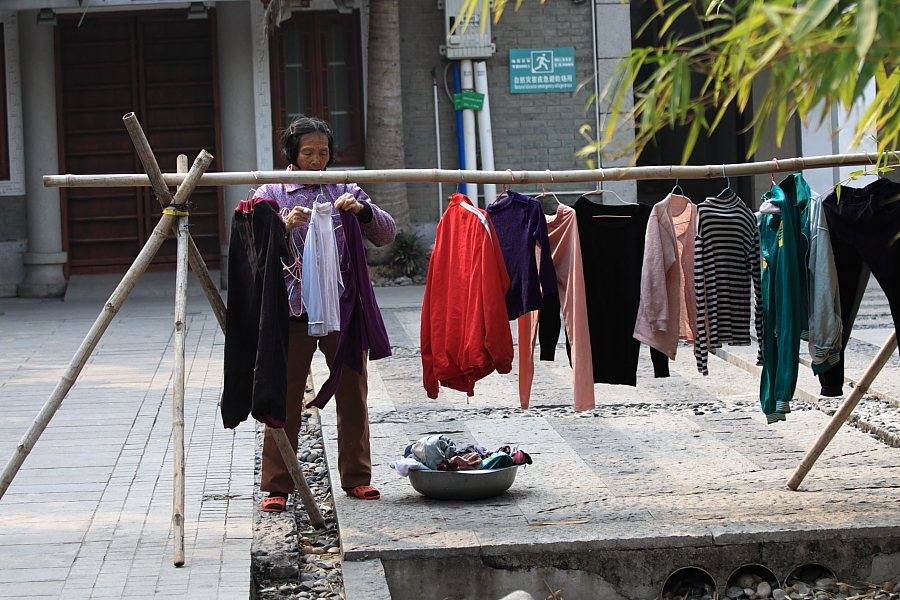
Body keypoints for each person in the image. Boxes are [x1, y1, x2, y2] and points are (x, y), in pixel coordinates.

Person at [255, 116, 396, 512]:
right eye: (308, 153)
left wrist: (363, 211)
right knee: (282, 399)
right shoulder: (272, 191)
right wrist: (281, 226)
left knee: (353, 393)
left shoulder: (345, 189)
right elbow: (251, 244)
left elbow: (386, 234)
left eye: (323, 153)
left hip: (343, 311)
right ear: (292, 156)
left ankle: (356, 478)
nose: (317, 160)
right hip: (293, 312)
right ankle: (278, 486)